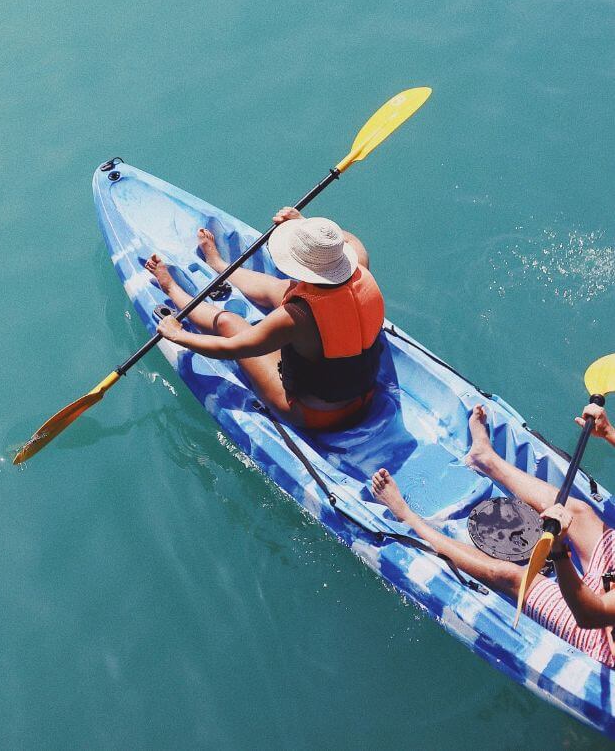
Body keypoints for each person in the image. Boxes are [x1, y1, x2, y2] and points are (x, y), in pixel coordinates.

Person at [370, 403, 615, 667]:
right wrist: (608, 432)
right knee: (579, 511)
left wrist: (557, 551)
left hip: (601, 630)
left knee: (511, 576)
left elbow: (590, 613)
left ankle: (409, 519)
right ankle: (485, 457)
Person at [144, 207, 384, 430]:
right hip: (364, 394)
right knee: (284, 289)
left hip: (314, 414)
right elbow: (350, 240)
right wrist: (305, 226)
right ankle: (219, 265)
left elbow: (230, 348)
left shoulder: (295, 317)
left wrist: (178, 334)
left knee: (232, 324)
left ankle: (171, 289)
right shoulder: (361, 263)